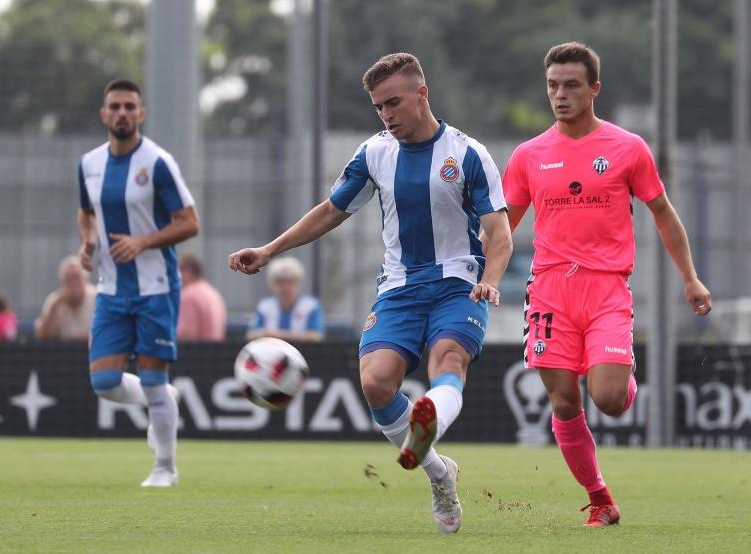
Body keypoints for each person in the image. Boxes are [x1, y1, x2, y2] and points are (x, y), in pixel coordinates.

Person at [229, 52, 513, 533]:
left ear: (422, 94)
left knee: (448, 359)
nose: (386, 115)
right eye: (379, 107)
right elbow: (331, 211)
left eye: (393, 103)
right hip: (399, 287)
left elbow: (499, 233)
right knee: (377, 384)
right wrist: (270, 250)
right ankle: (440, 473)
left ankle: (430, 417)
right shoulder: (375, 153)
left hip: (459, 283)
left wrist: (492, 279)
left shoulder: (467, 154)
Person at [502, 42, 712, 527]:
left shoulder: (628, 148)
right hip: (550, 290)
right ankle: (600, 498)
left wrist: (691, 279)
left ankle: (621, 372)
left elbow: (663, 213)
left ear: (594, 88)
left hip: (606, 289)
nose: (560, 95)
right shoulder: (528, 155)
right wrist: (477, 271)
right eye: (553, 86)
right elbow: (502, 227)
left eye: (571, 85)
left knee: (611, 401)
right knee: (563, 400)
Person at [78, 79, 199, 487]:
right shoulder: (89, 164)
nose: (122, 113)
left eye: (130, 106)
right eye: (115, 106)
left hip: (156, 288)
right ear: (104, 114)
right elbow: (86, 212)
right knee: (104, 382)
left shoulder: (158, 163)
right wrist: (87, 242)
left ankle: (165, 468)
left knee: (152, 378)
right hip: (111, 289)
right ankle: (163, 397)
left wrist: (143, 241)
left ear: (141, 114)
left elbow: (190, 223)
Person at [247, 256, 324, 342]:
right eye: (280, 282)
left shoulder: (311, 306)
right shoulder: (265, 306)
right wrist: (263, 334)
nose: (285, 287)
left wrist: (279, 335)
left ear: (299, 283)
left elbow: (316, 336)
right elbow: (252, 334)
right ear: (272, 284)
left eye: (290, 282)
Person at [34, 255, 97, 340]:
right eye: (68, 279)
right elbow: (41, 335)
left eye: (76, 278)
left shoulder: (97, 298)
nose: (73, 284)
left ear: (85, 279)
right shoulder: (54, 301)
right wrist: (53, 309)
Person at [177, 251, 227, 341]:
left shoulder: (188, 295)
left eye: (179, 270)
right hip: (216, 347)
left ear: (188, 271)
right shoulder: (211, 291)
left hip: (197, 349)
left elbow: (186, 334)